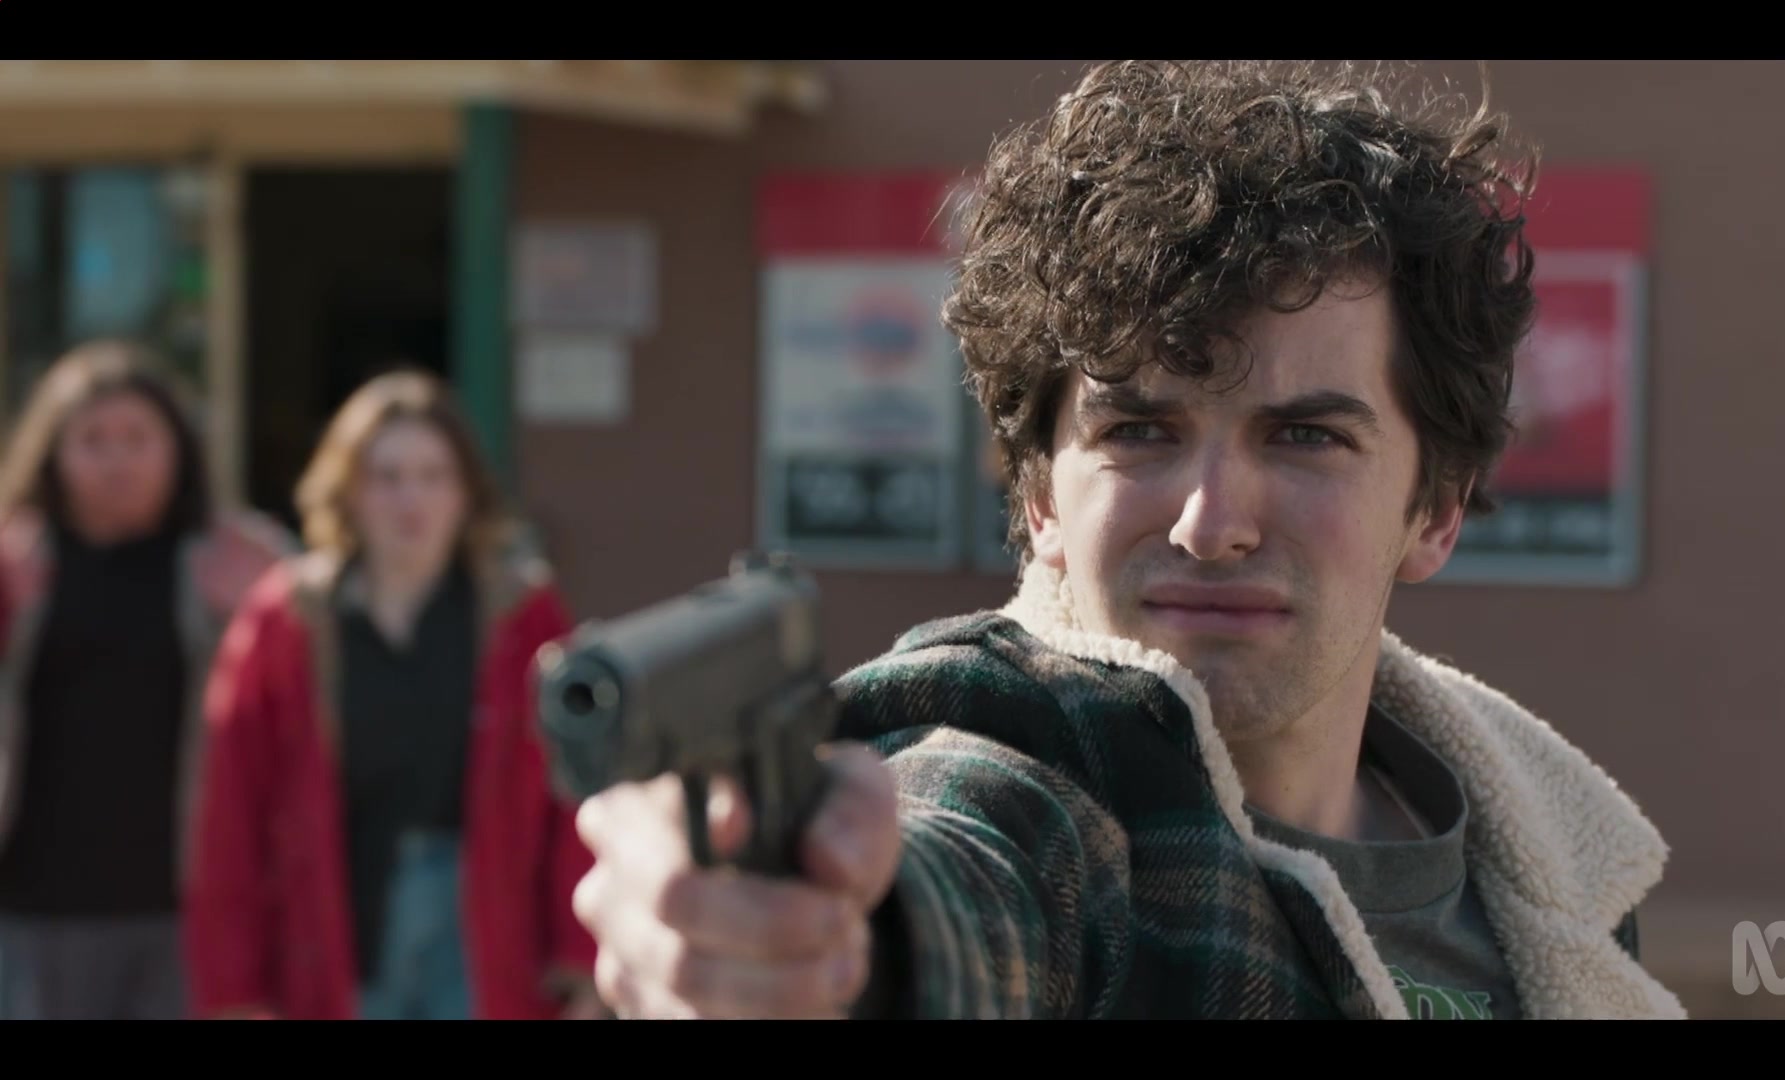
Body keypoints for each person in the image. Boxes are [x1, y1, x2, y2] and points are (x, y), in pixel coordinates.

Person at [571, 59, 1688, 1020]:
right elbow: (960, 886)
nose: (1210, 524)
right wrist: (819, 944)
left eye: (1305, 437)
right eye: (1139, 432)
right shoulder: (1027, 787)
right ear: (1041, 499)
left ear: (1435, 510)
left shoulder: (1552, 864)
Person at [182, 369, 603, 1020]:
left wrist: (583, 959)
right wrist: (234, 989)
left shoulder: (523, 615)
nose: (412, 499)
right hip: (339, 926)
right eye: (387, 477)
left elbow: (574, 795)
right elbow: (230, 814)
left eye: (434, 476)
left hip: (485, 933)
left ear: (466, 493)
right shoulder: (287, 621)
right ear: (348, 490)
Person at [0, 339, 292, 1020]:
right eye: (93, 440)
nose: (118, 461)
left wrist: (259, 609)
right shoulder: (16, 569)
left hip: (184, 909)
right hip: (32, 909)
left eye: (138, 438)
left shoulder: (237, 565)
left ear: (179, 448)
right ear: (52, 453)